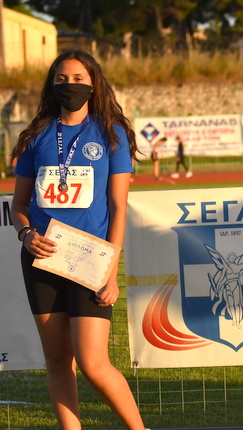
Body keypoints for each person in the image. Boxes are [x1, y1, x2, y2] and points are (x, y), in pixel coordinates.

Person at [10, 50, 148, 430]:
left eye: (77, 79)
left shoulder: (110, 134)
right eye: (61, 79)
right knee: (58, 362)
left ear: (93, 84)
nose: (68, 85)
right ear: (51, 85)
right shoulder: (35, 135)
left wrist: (110, 271)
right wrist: (26, 234)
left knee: (92, 363)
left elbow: (118, 208)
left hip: (91, 261)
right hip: (42, 258)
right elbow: (19, 205)